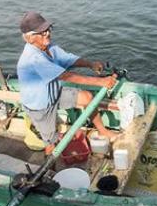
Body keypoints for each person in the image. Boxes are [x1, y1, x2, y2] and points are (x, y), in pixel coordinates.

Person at [16, 11, 117, 155]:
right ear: (30, 38)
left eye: (48, 30)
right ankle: (49, 170)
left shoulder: (49, 47)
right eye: (42, 33)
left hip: (53, 93)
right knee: (51, 144)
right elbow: (66, 76)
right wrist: (101, 82)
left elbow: (69, 59)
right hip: (40, 105)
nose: (47, 34)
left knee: (87, 97)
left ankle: (103, 131)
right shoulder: (33, 58)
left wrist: (91, 64)